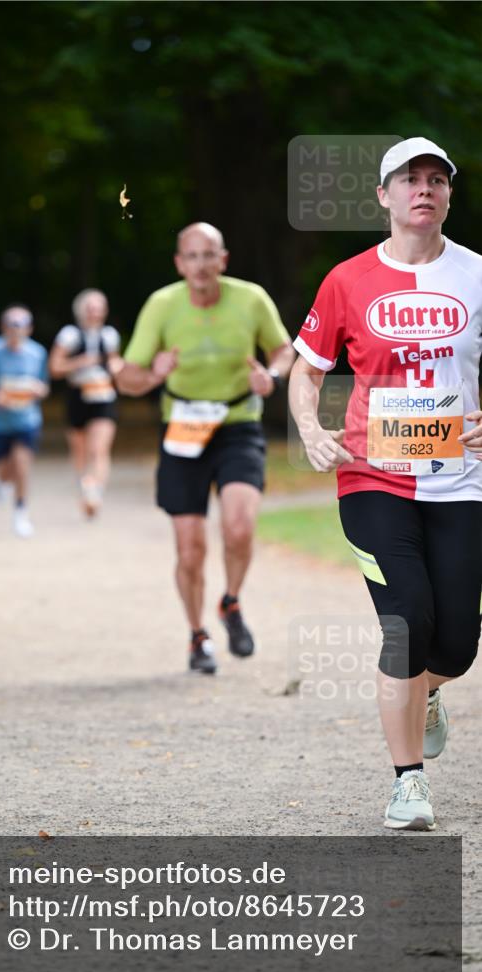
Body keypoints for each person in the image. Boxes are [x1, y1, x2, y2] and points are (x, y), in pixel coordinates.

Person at [289, 137, 482, 831]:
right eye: (408, 180)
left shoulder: (476, 275)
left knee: (456, 643)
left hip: (461, 481)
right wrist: (311, 430)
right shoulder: (346, 280)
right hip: (371, 476)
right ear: (382, 195)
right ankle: (408, 783)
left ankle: (425, 693)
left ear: (448, 195)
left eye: (436, 179)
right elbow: (306, 368)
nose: (422, 190)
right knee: (406, 619)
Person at [117, 222, 294, 674]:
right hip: (183, 427)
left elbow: (284, 350)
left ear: (223, 260)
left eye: (208, 255)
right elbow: (127, 378)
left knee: (238, 526)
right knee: (190, 548)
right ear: (180, 263)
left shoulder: (250, 298)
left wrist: (270, 377)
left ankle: (230, 602)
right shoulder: (162, 305)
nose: (200, 265)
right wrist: (154, 374)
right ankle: (198, 636)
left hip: (237, 423)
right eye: (191, 256)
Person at [49, 289, 122, 517]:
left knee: (99, 449)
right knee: (80, 450)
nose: (95, 313)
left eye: (99, 308)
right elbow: (55, 368)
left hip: (103, 396)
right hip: (78, 396)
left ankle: (94, 490)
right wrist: (79, 363)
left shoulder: (110, 336)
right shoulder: (69, 335)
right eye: (90, 308)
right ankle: (85, 488)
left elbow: (114, 364)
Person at [0, 305, 49, 538]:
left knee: (22, 465)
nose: (15, 330)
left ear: (29, 329)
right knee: (4, 468)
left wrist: (39, 390)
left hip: (27, 419)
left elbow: (44, 384)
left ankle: (21, 512)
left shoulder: (38, 353)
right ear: (3, 327)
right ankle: (1, 482)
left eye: (20, 325)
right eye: (11, 324)